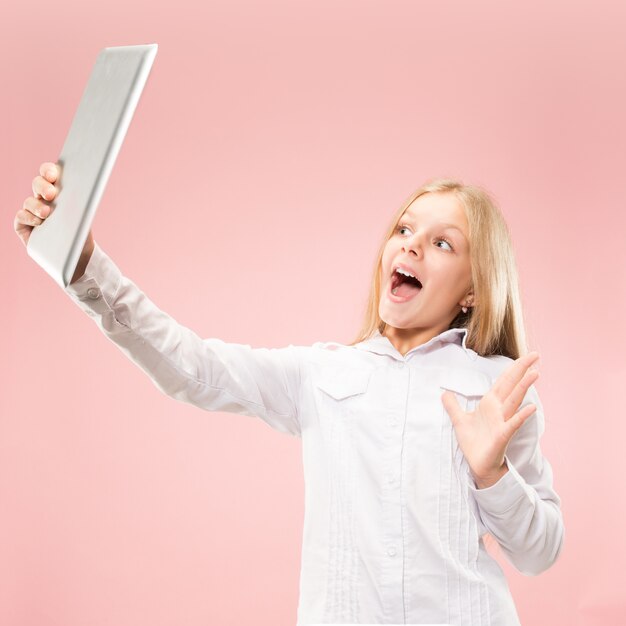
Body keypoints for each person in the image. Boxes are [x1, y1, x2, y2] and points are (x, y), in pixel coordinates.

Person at [15, 161, 564, 626]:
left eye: (442, 242)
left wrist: (494, 475)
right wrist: (85, 268)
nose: (412, 245)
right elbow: (188, 364)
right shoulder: (319, 374)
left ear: (472, 290)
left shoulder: (497, 388)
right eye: (404, 230)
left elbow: (540, 553)